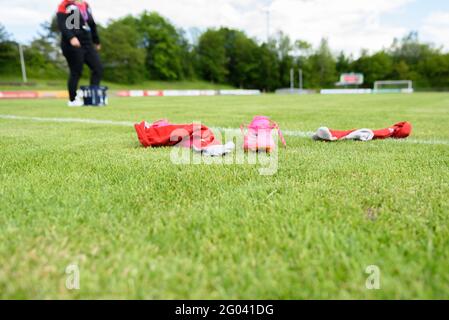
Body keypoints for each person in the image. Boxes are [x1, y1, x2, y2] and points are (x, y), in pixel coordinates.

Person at [57, 0, 103, 107]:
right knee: (76, 71)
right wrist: (71, 37)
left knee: (98, 68)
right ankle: (72, 99)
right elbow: (62, 24)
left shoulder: (86, 5)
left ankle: (93, 97)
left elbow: (91, 24)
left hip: (87, 42)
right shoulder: (66, 4)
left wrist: (96, 41)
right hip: (72, 43)